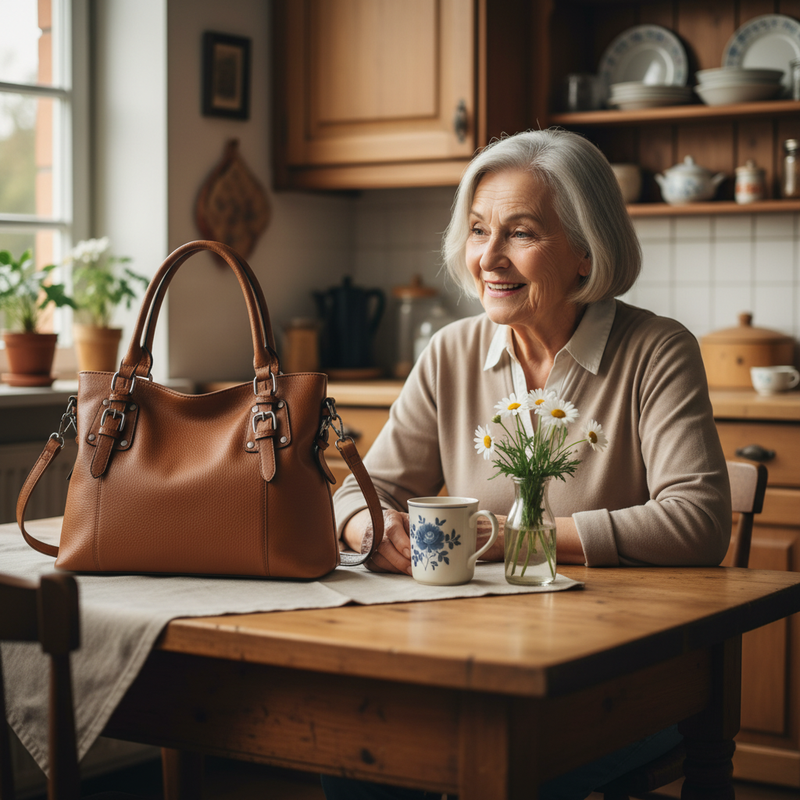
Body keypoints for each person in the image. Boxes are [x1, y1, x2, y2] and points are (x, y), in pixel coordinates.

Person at [322, 128, 731, 800]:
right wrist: (370, 531)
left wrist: (520, 540)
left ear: (584, 250)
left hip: (617, 680)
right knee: (356, 759)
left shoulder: (657, 350)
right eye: (479, 230)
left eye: (520, 233)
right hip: (471, 666)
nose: (488, 257)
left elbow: (699, 521)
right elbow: (361, 491)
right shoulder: (451, 352)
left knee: (485, 771)